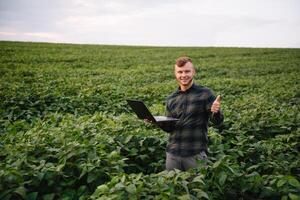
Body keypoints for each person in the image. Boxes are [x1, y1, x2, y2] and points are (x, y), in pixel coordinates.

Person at [165, 56, 223, 171]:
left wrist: (216, 112)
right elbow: (170, 127)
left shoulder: (205, 94)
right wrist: (155, 121)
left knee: (197, 187)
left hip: (195, 154)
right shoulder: (171, 98)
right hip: (172, 155)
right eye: (180, 72)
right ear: (175, 74)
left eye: (187, 71)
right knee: (173, 187)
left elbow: (217, 122)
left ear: (194, 72)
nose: (183, 75)